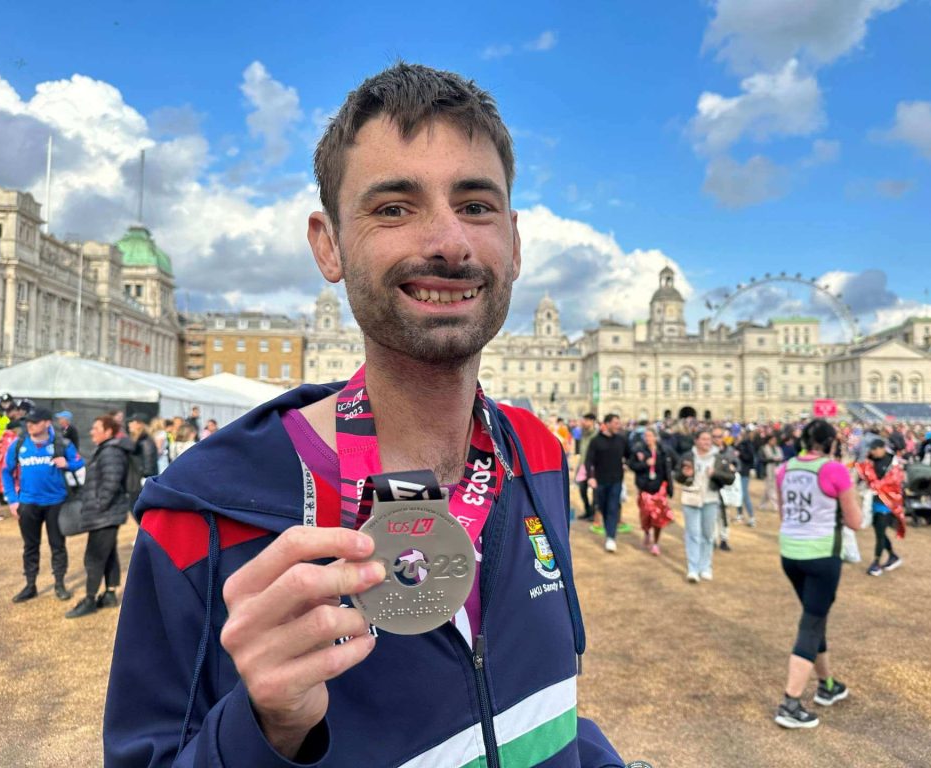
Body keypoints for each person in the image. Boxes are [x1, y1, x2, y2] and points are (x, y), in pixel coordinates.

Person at [105, 63, 621, 768]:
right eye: (393, 208)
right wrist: (265, 729)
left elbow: (542, 707)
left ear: (515, 242)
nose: (448, 241)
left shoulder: (535, 452)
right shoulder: (202, 509)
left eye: (476, 205)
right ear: (328, 244)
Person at [774, 420, 862, 729]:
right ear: (830, 442)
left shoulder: (784, 468)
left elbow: (784, 512)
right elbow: (855, 521)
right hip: (822, 552)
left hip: (790, 550)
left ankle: (827, 685)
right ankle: (791, 702)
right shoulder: (834, 469)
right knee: (811, 622)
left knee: (816, 614)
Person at [2, 408, 85, 604]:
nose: (30, 425)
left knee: (58, 545)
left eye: (35, 421)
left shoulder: (61, 443)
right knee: (30, 546)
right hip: (28, 503)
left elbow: (79, 463)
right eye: (28, 421)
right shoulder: (18, 444)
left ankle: (59, 584)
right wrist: (13, 500)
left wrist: (67, 464)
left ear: (47, 423)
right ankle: (30, 585)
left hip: (56, 503)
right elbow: (6, 472)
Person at [65, 415, 134, 618]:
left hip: (105, 514)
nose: (91, 431)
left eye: (96, 428)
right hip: (107, 514)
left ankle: (90, 599)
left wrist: (98, 506)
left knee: (94, 557)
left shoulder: (111, 452)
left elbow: (111, 483)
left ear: (108, 431)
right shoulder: (107, 450)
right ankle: (110, 594)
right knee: (108, 553)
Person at [676, 428, 724, 583]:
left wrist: (715, 474)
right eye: (703, 439)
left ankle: (706, 567)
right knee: (693, 534)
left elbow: (729, 479)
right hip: (691, 498)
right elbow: (678, 476)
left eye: (709, 440)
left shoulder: (718, 457)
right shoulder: (688, 456)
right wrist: (685, 474)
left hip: (710, 499)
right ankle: (693, 568)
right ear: (696, 441)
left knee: (708, 535)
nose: (707, 442)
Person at [856, 439, 905, 576]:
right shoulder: (870, 461)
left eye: (874, 449)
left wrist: (878, 485)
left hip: (887, 503)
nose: (872, 452)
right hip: (874, 502)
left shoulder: (893, 463)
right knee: (880, 532)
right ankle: (892, 556)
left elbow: (895, 481)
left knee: (879, 532)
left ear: (882, 448)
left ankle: (876, 562)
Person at [586, 413, 629, 553]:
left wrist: (628, 464)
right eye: (616, 423)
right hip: (600, 481)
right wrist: (591, 477)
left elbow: (630, 455)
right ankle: (608, 529)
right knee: (602, 507)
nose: (618, 425)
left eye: (619, 423)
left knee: (613, 507)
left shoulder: (621, 440)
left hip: (616, 480)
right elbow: (589, 461)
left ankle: (611, 537)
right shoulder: (596, 441)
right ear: (607, 424)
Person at [629, 426, 673, 556]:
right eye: (646, 436)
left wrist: (669, 486)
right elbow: (632, 465)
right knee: (646, 515)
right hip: (645, 488)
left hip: (659, 489)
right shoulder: (638, 450)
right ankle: (647, 532)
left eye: (650, 436)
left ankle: (656, 543)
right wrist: (645, 464)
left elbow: (671, 466)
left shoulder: (663, 450)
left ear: (655, 437)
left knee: (658, 517)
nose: (648, 438)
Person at [127, 413, 159, 498]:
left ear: (140, 424)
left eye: (132, 422)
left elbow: (149, 466)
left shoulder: (145, 441)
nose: (129, 424)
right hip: (135, 482)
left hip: (140, 483)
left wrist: (142, 477)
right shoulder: (137, 440)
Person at [575, 412, 598, 521]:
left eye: (586, 420)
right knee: (582, 489)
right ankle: (588, 510)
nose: (583, 422)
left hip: (593, 467)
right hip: (582, 465)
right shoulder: (583, 433)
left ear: (592, 421)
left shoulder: (596, 435)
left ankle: (593, 513)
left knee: (594, 492)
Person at [759, 433, 783, 510]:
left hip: (776, 469)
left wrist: (777, 459)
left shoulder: (777, 448)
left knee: (769, 489)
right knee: (770, 488)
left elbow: (781, 457)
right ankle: (776, 505)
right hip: (767, 470)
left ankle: (762, 505)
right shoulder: (763, 448)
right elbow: (761, 459)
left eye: (775, 440)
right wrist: (772, 459)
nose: (774, 442)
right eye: (772, 440)